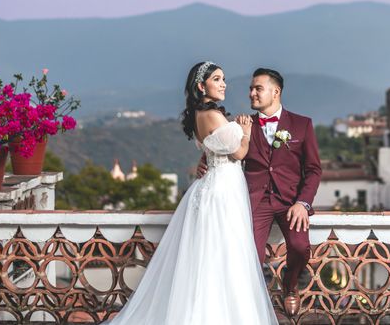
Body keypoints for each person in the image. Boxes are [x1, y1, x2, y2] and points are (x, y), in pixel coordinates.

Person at [104, 61, 278, 325]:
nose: (223, 84)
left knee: (208, 259)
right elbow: (239, 153)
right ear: (201, 85)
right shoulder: (213, 115)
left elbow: (212, 149)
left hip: (215, 187)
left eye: (223, 79)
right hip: (221, 192)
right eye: (217, 79)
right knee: (222, 259)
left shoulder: (201, 113)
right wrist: (245, 133)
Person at [197, 67, 322, 316]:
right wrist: (203, 161)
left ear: (275, 92)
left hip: (290, 204)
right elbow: (219, 147)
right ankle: (253, 304)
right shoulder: (241, 124)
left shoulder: (302, 124)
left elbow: (314, 170)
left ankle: (289, 286)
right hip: (253, 202)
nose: (251, 93)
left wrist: (303, 203)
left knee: (300, 247)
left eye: (258, 88)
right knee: (248, 256)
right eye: (251, 88)